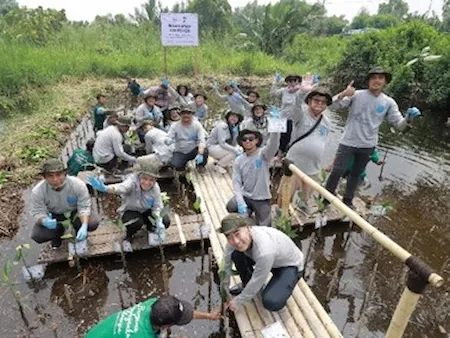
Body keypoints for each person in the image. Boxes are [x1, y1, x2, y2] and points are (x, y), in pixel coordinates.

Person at [325, 67, 421, 208]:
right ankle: (325, 199)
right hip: (348, 142)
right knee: (337, 171)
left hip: (368, 146)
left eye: (380, 78)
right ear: (368, 81)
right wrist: (343, 94)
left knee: (356, 174)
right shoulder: (356, 95)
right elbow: (332, 106)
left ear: (385, 82)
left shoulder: (389, 102)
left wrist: (409, 118)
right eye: (373, 77)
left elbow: (399, 125)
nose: (376, 81)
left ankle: (348, 200)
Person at [220, 214, 304, 312]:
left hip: (289, 265)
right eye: (229, 237)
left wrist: (237, 301)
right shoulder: (233, 241)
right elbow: (225, 265)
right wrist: (225, 292)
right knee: (235, 254)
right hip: (271, 260)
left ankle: (280, 298)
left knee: (271, 301)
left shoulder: (264, 250)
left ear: (247, 228)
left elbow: (257, 280)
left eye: (237, 234)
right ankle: (246, 284)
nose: (236, 241)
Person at [88, 159, 169, 245]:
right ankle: (129, 235)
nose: (147, 183)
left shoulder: (155, 188)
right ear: (139, 176)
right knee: (135, 223)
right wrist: (106, 188)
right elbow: (120, 188)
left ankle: (151, 229)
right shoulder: (132, 182)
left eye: (151, 180)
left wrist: (158, 220)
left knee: (165, 220)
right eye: (144, 179)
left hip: (147, 211)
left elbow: (157, 205)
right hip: (131, 211)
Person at [31, 159, 100, 248]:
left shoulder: (77, 185)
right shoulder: (38, 191)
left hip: (75, 212)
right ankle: (57, 234)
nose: (55, 179)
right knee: (38, 235)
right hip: (55, 215)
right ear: (45, 177)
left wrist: (84, 225)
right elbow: (37, 211)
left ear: (65, 173)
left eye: (58, 174)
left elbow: (84, 207)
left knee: (92, 223)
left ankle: (79, 229)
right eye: (50, 176)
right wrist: (44, 220)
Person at [283, 89, 332, 212]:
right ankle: (282, 213)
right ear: (309, 101)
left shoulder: (326, 121)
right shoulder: (300, 115)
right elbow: (296, 106)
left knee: (306, 195)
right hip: (294, 163)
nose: (319, 104)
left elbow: (323, 140)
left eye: (323, 102)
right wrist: (301, 92)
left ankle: (302, 208)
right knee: (286, 194)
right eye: (316, 100)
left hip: (313, 165)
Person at [86, 295, 221, 337]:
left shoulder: (152, 304)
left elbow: (183, 312)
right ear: (166, 326)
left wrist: (209, 316)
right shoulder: (142, 336)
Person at [226, 127, 280, 227]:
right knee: (231, 206)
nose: (247, 141)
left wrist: (275, 126)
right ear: (241, 142)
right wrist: (241, 202)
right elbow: (236, 183)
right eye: (244, 139)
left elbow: (274, 144)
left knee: (265, 226)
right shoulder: (239, 160)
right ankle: (247, 210)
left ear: (257, 140)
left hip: (261, 198)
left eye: (251, 138)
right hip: (246, 196)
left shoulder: (264, 154)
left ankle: (253, 213)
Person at [270, 74, 316, 153]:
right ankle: (278, 154)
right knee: (277, 137)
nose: (292, 83)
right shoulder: (284, 91)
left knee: (291, 138)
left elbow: (309, 97)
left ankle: (288, 154)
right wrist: (275, 82)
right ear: (287, 82)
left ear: (298, 82)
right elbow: (273, 93)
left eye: (294, 81)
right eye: (290, 81)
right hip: (283, 116)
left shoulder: (301, 92)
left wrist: (313, 85)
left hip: (295, 119)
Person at [167, 107, 208, 171]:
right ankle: (184, 167)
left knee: (204, 151)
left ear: (192, 115)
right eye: (183, 113)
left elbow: (201, 140)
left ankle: (200, 166)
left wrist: (200, 153)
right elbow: (169, 137)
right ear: (180, 115)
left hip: (193, 150)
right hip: (180, 151)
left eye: (188, 113)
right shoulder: (174, 126)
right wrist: (168, 140)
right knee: (175, 164)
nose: (186, 115)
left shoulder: (197, 125)